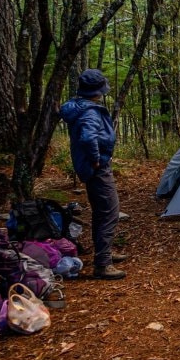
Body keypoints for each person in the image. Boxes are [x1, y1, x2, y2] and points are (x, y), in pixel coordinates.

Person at [59, 69, 127, 280]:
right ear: (98, 91)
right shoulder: (90, 112)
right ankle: (103, 264)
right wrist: (96, 159)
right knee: (110, 211)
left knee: (101, 211)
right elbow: (88, 138)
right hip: (97, 168)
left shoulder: (79, 107)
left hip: (91, 167)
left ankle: (103, 253)